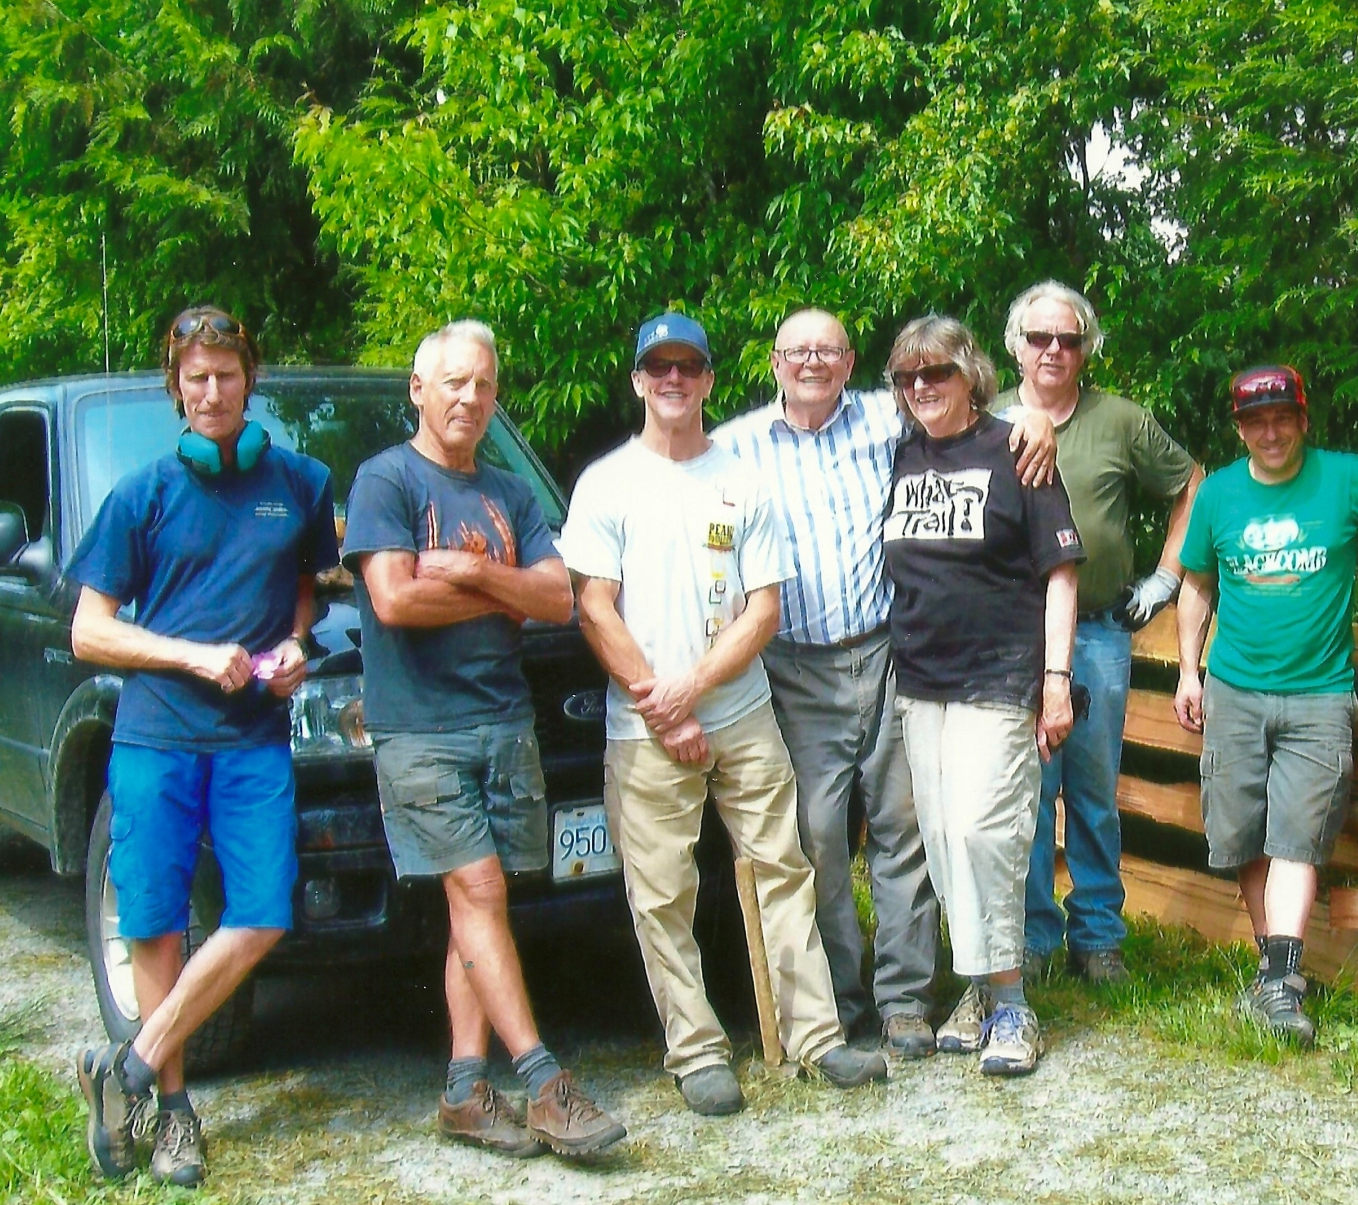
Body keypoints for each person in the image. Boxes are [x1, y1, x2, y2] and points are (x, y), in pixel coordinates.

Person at [562, 312, 887, 1116]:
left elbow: (763, 608)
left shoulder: (741, 479)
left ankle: (815, 1037)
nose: (673, 381)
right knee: (663, 893)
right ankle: (697, 1050)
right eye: (658, 368)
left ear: (708, 380)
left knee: (786, 865)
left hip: (742, 713)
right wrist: (661, 703)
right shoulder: (607, 482)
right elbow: (595, 607)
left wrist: (694, 689)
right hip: (644, 728)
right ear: (638, 380)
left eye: (689, 368)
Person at [715, 308, 1057, 1059]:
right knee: (820, 838)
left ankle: (905, 998)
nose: (813, 362)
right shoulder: (733, 446)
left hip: (886, 654)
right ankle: (840, 995)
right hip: (796, 666)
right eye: (797, 351)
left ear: (849, 362)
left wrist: (1032, 416)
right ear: (773, 362)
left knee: (908, 832)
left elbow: (963, 401)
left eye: (828, 351)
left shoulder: (883, 419)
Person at [345, 320, 626, 1159]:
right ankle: (545, 1082)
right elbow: (394, 601)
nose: (470, 398)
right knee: (478, 895)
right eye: (455, 383)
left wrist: (469, 572)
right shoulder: (384, 480)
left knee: (480, 907)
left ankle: (466, 1090)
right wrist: (509, 591)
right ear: (419, 389)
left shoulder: (507, 492)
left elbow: (558, 599)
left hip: (503, 721)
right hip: (420, 730)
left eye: (484, 385)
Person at [71, 306, 337, 1186]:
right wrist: (188, 652)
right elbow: (90, 632)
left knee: (262, 913)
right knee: (153, 919)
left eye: (225, 374)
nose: (211, 391)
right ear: (175, 389)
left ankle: (129, 1070)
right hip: (157, 736)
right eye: (195, 378)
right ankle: (176, 1113)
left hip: (253, 736)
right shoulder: (142, 493)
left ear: (249, 377)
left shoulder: (298, 481)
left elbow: (306, 586)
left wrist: (297, 643)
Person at [1174, 364, 1358, 1047]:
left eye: (1283, 416)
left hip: (1319, 692)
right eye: (1256, 421)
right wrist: (1188, 671)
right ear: (1239, 428)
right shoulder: (1219, 493)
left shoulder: (1346, 479)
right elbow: (1196, 584)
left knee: (1298, 836)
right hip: (1234, 689)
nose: (1271, 431)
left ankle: (1282, 983)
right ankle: (1272, 971)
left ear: (1304, 418)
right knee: (1244, 834)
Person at [881, 315, 1084, 1076]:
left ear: (971, 374)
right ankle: (976, 987)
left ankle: (1013, 1005)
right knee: (941, 841)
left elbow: (1061, 572)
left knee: (984, 834)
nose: (922, 387)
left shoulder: (1019, 450)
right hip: (920, 682)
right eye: (908, 377)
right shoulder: (899, 452)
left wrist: (1056, 680)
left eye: (937, 373)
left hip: (1000, 677)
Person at [994, 281, 1202, 985]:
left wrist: (1167, 577)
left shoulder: (1120, 420)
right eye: (1040, 337)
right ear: (1016, 345)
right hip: (1013, 640)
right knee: (1022, 792)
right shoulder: (985, 420)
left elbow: (1191, 484)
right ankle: (1030, 935)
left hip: (1100, 634)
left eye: (1069, 339)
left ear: (1087, 348)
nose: (1054, 350)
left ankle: (1098, 934)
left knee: (1090, 792)